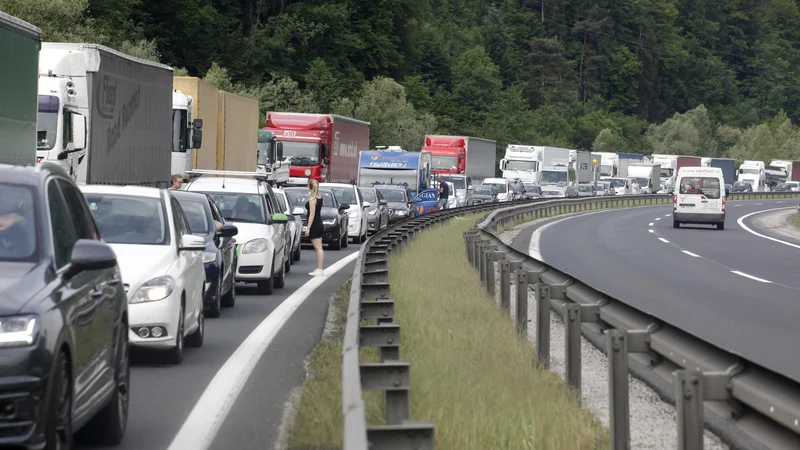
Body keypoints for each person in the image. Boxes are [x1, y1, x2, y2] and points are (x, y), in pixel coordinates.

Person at [305, 179, 325, 276]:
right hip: (319, 223)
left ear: (309, 187)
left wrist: (308, 228)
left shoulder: (312, 199)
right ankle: (319, 268)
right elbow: (322, 205)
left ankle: (320, 269)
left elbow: (311, 214)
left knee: (318, 248)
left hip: (315, 225)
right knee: (319, 247)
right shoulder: (320, 197)